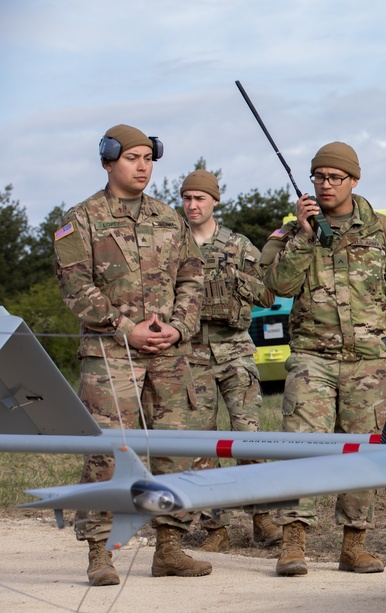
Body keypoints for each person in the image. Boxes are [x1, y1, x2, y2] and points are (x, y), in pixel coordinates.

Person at [260, 141, 386, 576]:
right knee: (301, 448)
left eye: (336, 178)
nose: (327, 185)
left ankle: (354, 545)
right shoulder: (293, 232)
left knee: (364, 451)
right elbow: (277, 286)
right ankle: (293, 543)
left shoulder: (384, 234)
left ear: (354, 180)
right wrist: (304, 235)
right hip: (311, 358)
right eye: (319, 177)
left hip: (368, 361)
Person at [54, 124, 211, 585]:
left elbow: (191, 276)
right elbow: (75, 285)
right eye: (132, 158)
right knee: (107, 452)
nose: (142, 166)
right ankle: (100, 552)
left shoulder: (169, 217)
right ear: (108, 161)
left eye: (148, 158)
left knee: (173, 450)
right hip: (110, 353)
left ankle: (170, 547)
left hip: (167, 352)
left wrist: (179, 326)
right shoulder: (79, 219)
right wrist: (127, 328)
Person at [179, 169, 282, 551]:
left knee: (249, 437)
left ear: (214, 201)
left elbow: (268, 295)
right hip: (191, 354)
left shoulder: (237, 245)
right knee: (202, 445)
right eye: (187, 198)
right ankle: (214, 528)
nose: (192, 205)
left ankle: (263, 520)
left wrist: (235, 280)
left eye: (200, 198)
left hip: (235, 350)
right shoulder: (175, 245)